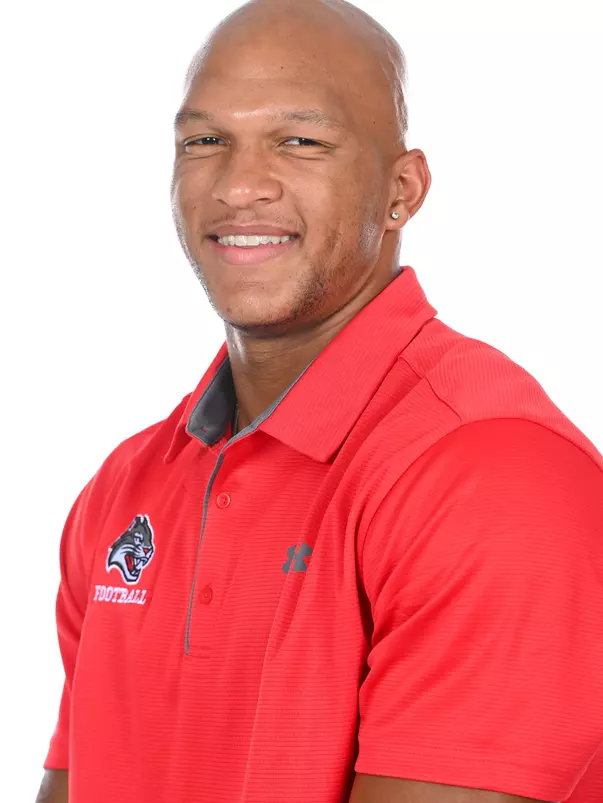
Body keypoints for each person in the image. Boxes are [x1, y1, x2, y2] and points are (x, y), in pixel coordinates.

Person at [36, 0, 603, 801]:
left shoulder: (494, 475)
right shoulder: (123, 490)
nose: (238, 184)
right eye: (205, 141)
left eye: (299, 141)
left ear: (401, 190)